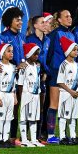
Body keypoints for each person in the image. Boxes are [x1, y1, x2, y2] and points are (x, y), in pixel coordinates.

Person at [45, 8, 74, 144]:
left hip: (69, 75)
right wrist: (50, 70)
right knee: (54, 104)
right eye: (66, 16)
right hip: (56, 73)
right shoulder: (55, 34)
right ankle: (50, 135)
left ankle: (64, 134)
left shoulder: (71, 34)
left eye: (70, 16)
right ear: (59, 20)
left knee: (66, 105)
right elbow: (48, 54)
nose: (69, 18)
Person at [0, 7, 26, 143]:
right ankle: (0, 137)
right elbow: (4, 58)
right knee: (8, 107)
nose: (20, 22)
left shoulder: (21, 36)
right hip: (9, 77)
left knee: (17, 106)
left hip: (21, 77)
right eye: (17, 20)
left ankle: (13, 136)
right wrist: (16, 66)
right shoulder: (4, 37)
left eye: (21, 19)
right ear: (10, 21)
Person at [26, 13, 53, 141]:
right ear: (35, 25)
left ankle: (38, 134)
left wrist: (46, 72)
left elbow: (48, 58)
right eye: (42, 22)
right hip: (33, 75)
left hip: (44, 75)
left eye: (45, 22)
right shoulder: (29, 39)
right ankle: (26, 134)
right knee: (29, 104)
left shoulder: (48, 40)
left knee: (42, 107)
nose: (45, 24)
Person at [55, 37, 78, 146]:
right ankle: (62, 137)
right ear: (68, 51)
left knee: (73, 117)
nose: (76, 52)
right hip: (66, 94)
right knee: (64, 116)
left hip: (75, 94)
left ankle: (73, 136)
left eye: (77, 50)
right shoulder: (63, 65)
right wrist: (71, 91)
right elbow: (60, 82)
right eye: (74, 50)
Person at [18, 42, 43, 147]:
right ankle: (24, 139)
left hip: (35, 95)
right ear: (28, 54)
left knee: (34, 118)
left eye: (37, 54)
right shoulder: (24, 67)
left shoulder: (37, 66)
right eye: (34, 54)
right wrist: (20, 97)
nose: (37, 56)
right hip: (26, 95)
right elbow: (20, 84)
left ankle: (33, 139)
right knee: (24, 117)